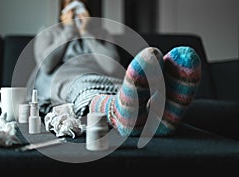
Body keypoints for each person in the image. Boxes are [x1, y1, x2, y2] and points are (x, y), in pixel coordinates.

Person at [32, 0, 202, 137]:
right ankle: (117, 113)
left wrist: (87, 33)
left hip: (106, 77)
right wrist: (69, 29)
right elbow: (46, 65)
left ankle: (154, 120)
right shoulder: (48, 33)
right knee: (85, 86)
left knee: (124, 89)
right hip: (69, 79)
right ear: (62, 7)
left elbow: (111, 65)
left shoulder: (101, 33)